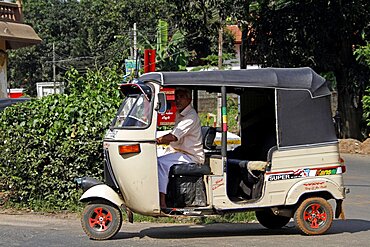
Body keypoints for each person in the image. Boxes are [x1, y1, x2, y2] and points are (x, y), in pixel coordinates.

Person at [156, 87, 205, 208]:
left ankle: (162, 202)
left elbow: (173, 136)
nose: (177, 100)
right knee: (153, 159)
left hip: (191, 156)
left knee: (160, 163)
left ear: (189, 99)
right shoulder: (180, 113)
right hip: (179, 152)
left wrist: (156, 141)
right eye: (176, 97)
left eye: (181, 97)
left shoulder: (190, 116)